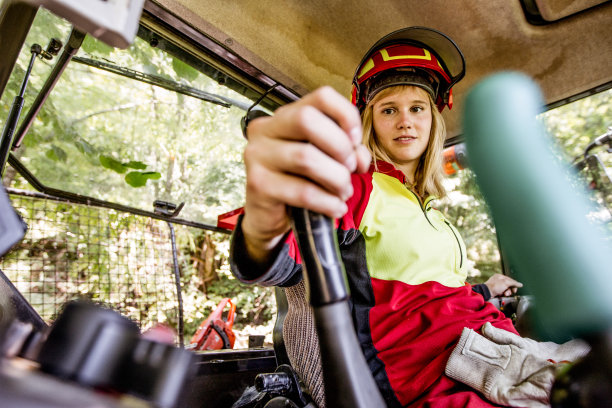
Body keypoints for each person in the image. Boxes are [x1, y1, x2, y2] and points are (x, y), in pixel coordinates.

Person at [229, 27, 536, 407]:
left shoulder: (432, 213)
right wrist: (262, 226)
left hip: (495, 348)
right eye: (389, 109)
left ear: (432, 120)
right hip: (435, 377)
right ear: (370, 120)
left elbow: (432, 296)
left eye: (416, 108)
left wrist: (486, 291)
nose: (405, 121)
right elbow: (277, 259)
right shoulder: (357, 182)